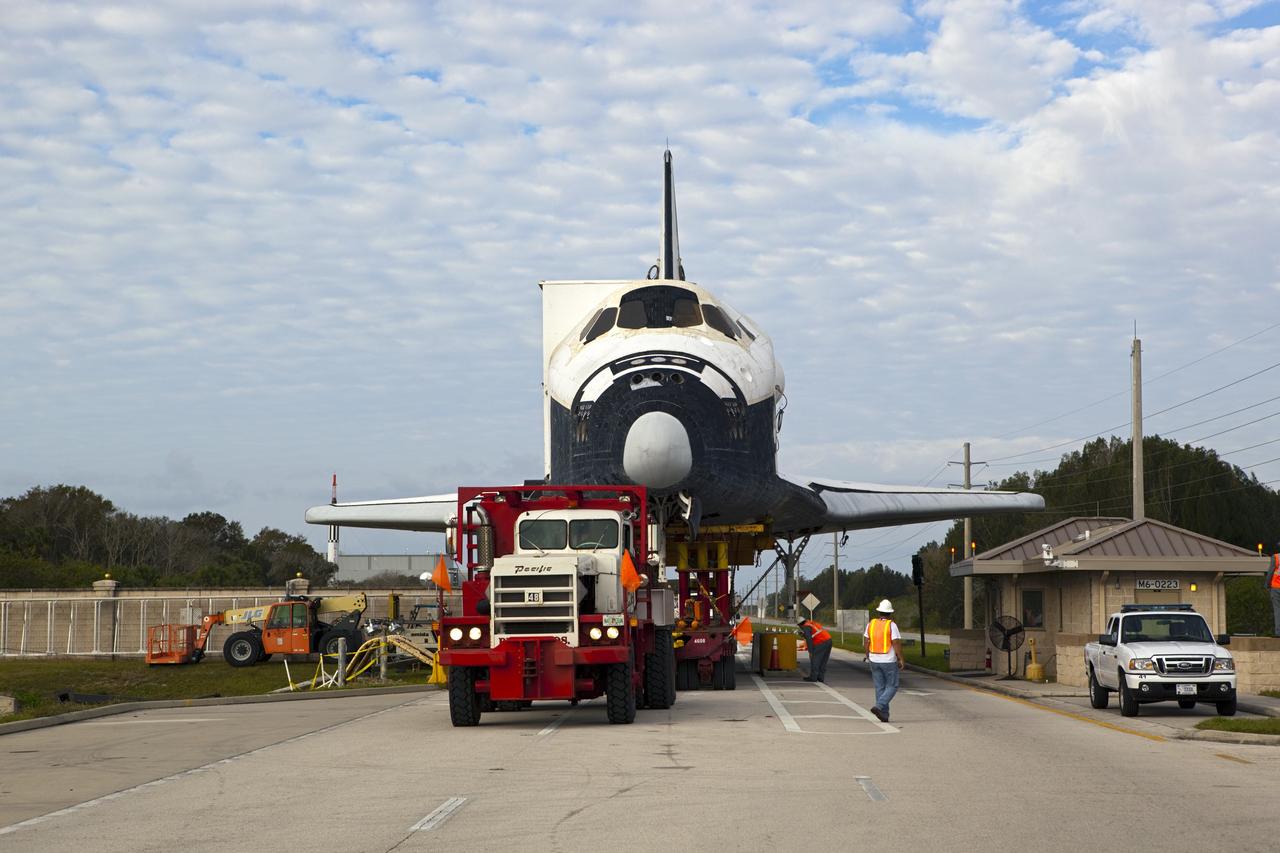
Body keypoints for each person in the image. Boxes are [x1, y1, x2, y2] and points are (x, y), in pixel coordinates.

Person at [863, 599, 904, 722]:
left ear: (879, 612)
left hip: (874, 659)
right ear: (890, 613)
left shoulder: (871, 624)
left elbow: (866, 641)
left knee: (879, 687)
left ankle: (884, 715)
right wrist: (901, 658)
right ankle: (879, 706)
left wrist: (868, 655)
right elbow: (896, 642)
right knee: (892, 685)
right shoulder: (891, 625)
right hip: (888, 660)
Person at [797, 618, 833, 682]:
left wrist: (810, 651)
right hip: (828, 640)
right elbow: (813, 634)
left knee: (815, 659)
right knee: (823, 660)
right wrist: (804, 635)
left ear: (800, 625)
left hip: (821, 642)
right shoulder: (811, 623)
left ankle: (813, 678)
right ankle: (820, 677)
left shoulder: (806, 627)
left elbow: (809, 639)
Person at [1268, 543, 1280, 637]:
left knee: (1277, 610)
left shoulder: (1276, 557)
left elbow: (1271, 572)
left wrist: (1267, 585)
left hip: (1276, 587)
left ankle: (1278, 632)